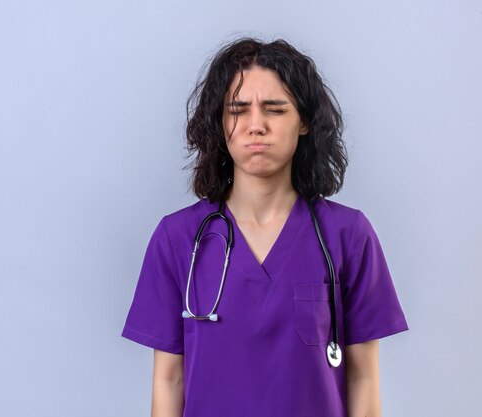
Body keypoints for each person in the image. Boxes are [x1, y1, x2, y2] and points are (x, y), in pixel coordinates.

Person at [122, 37, 409, 417]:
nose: (255, 126)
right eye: (238, 109)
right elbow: (169, 380)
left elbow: (363, 378)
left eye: (274, 109)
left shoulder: (347, 236)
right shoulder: (177, 238)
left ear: (304, 121)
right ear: (220, 123)